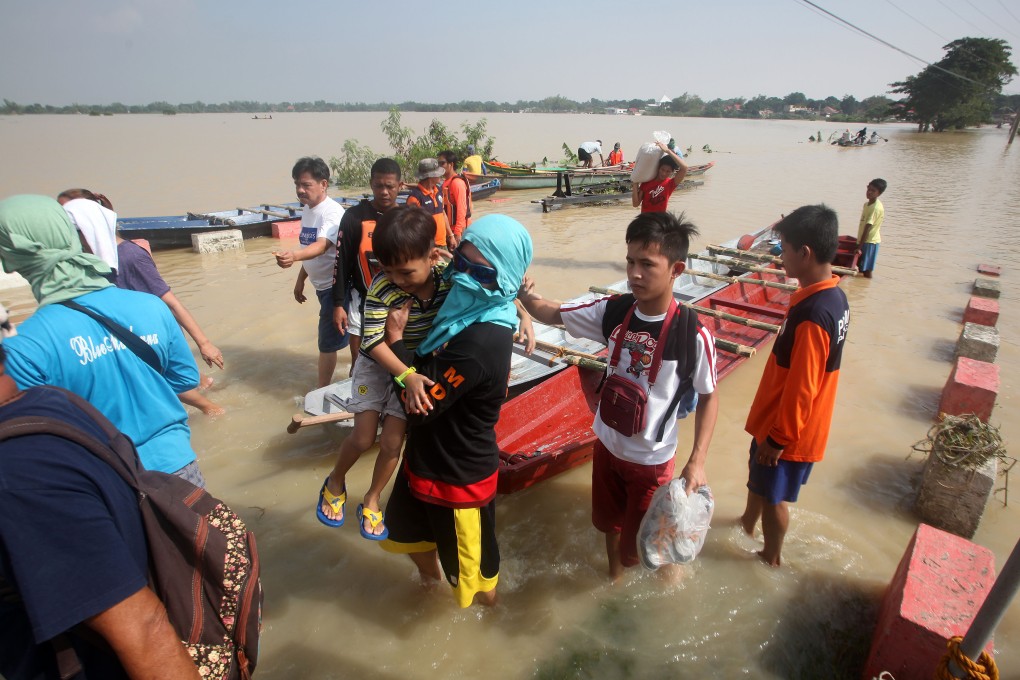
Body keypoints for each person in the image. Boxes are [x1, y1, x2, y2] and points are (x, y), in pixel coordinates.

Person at [519, 211, 719, 580]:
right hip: (607, 446)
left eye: (647, 264)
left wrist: (698, 461)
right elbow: (553, 313)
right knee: (608, 528)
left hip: (652, 462)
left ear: (676, 270)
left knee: (652, 546)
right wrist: (526, 297)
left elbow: (709, 396)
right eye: (630, 262)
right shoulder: (613, 310)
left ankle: (670, 591)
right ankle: (614, 581)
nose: (634, 274)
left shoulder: (692, 335)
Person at [0, 320, 202, 680]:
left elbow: (144, 629)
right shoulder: (57, 402)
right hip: (177, 466)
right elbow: (184, 378)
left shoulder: (16, 476)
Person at [380, 214, 533, 607]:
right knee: (403, 533)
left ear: (504, 276)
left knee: (476, 579)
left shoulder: (480, 343)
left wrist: (396, 342)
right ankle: (431, 586)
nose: (464, 278)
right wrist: (524, 308)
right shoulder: (461, 304)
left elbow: (419, 408)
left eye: (479, 273)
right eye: (460, 264)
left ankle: (493, 626)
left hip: (457, 476)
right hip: (423, 458)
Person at [0, 195, 205, 484]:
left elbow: (33, 445)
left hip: (106, 482)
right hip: (181, 470)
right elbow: (185, 379)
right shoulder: (151, 306)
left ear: (11, 259)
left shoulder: (19, 348)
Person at [317, 207, 453, 539]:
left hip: (413, 363)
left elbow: (486, 287)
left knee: (392, 443)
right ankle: (335, 480)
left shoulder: (448, 274)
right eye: (388, 271)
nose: (397, 280)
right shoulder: (381, 287)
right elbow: (374, 340)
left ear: (432, 256)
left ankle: (372, 498)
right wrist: (406, 376)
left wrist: (520, 308)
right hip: (378, 365)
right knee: (364, 437)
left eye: (405, 273)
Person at [739, 205, 850, 567]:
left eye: (783, 249)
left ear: (805, 253)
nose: (779, 256)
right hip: (775, 421)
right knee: (759, 481)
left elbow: (803, 388)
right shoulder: (829, 296)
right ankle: (745, 524)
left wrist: (779, 438)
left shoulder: (814, 315)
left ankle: (770, 557)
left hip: (788, 432)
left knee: (775, 497)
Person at [59, 193, 225, 416]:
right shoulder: (91, 263)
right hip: (130, 333)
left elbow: (171, 302)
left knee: (159, 383)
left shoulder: (130, 256)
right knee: (179, 377)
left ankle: (211, 408)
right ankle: (205, 386)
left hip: (149, 335)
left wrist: (204, 343)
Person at [275, 156, 348, 388]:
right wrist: (300, 280)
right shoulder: (308, 210)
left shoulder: (332, 213)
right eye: (297, 184)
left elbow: (322, 245)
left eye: (306, 185)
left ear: (323, 184)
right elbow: (309, 246)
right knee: (346, 336)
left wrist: (293, 256)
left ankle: (322, 391)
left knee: (327, 343)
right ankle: (357, 379)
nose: (300, 190)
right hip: (321, 287)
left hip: (337, 288)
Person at [331, 157, 403, 372]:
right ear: (371, 184)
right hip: (362, 297)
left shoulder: (407, 217)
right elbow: (341, 261)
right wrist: (337, 304)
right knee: (359, 357)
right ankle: (358, 391)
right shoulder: (354, 218)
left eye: (390, 186)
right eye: (379, 185)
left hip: (400, 298)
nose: (384, 192)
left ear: (400, 186)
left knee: (396, 351)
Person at [405, 158, 456, 255]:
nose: (441, 175)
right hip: (427, 247)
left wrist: (451, 235)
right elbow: (412, 228)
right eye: (438, 173)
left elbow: (443, 214)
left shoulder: (439, 190)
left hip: (443, 243)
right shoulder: (415, 198)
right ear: (430, 176)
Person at [632, 141, 689, 213]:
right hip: (646, 221)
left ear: (672, 172)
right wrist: (635, 183)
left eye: (668, 171)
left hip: (660, 221)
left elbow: (685, 168)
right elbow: (635, 204)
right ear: (658, 168)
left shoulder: (670, 184)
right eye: (662, 169)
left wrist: (668, 151)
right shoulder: (646, 182)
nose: (664, 173)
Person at [439, 149, 473, 241]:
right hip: (450, 230)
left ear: (451, 164)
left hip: (458, 231)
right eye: (438, 164)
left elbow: (462, 208)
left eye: (442, 163)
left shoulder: (457, 183)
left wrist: (457, 233)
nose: (439, 167)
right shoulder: (446, 182)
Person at [855, 178, 887, 279]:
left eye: (873, 191)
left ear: (879, 193)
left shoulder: (875, 208)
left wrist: (859, 247)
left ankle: (868, 284)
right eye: (869, 189)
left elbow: (867, 228)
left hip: (870, 242)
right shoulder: (867, 205)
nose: (869, 192)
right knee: (860, 267)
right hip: (863, 240)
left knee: (867, 270)